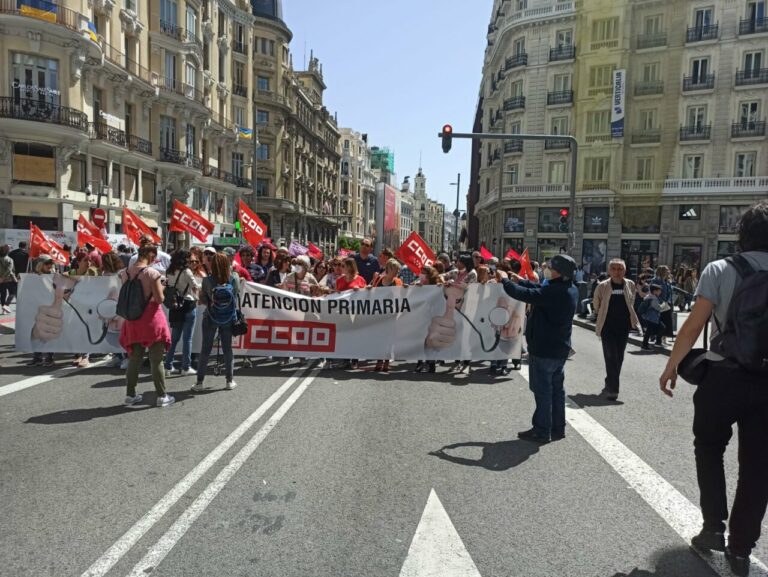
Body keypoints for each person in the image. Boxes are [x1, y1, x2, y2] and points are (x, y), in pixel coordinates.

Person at [659, 200, 768, 577]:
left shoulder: (720, 269)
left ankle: (712, 529)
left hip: (723, 377)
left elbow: (692, 326)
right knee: (758, 466)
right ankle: (741, 548)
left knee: (708, 447)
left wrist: (673, 365)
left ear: (742, 235)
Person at [498, 254, 578, 443]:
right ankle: (558, 427)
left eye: (550, 268)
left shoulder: (554, 292)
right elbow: (538, 288)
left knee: (542, 390)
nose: (546, 270)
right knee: (557, 390)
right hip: (559, 348)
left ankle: (542, 430)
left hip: (544, 348)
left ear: (559, 272)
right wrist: (522, 280)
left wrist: (504, 280)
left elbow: (525, 295)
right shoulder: (569, 288)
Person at [119, 243, 174, 407]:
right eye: (154, 257)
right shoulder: (152, 273)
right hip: (151, 319)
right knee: (156, 359)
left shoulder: (125, 273)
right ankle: (161, 396)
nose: (154, 260)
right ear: (150, 255)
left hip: (133, 319)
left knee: (134, 358)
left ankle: (130, 395)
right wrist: (162, 286)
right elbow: (159, 299)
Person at [592, 258, 640, 401]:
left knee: (619, 357)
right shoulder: (602, 286)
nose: (617, 272)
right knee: (611, 356)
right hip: (607, 326)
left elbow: (632, 301)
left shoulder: (630, 284)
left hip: (623, 327)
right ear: (609, 271)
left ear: (624, 271)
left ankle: (609, 382)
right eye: (614, 268)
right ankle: (613, 390)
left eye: (620, 269)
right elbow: (596, 303)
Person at [194, 252, 240, 392]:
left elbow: (202, 300)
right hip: (227, 318)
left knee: (205, 350)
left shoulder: (207, 281)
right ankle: (229, 380)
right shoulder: (233, 278)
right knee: (227, 349)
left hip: (211, 317)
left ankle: (199, 382)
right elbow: (236, 298)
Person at [164, 250, 199, 377]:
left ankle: (168, 366)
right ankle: (185, 367)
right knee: (187, 339)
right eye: (189, 259)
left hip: (175, 306)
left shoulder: (169, 271)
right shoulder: (186, 271)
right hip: (188, 304)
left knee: (174, 339)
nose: (190, 261)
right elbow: (195, 286)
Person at [444, 254, 477, 373]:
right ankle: (457, 359)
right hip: (454, 307)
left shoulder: (472, 273)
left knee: (466, 334)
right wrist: (446, 281)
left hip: (467, 307)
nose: (457, 263)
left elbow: (471, 287)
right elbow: (441, 276)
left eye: (459, 261)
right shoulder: (455, 272)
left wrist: (455, 284)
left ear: (465, 263)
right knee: (456, 333)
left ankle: (466, 360)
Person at [371, 259, 404, 372]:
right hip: (379, 314)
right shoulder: (379, 280)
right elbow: (372, 294)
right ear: (389, 269)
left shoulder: (398, 282)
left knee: (389, 338)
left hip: (392, 315)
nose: (398, 271)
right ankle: (379, 359)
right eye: (396, 269)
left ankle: (386, 361)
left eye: (398, 269)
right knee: (379, 338)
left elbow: (402, 296)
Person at [27, 255, 56, 367]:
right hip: (36, 309)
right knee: (35, 333)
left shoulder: (54, 277)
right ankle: (37, 357)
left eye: (51, 263)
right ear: (40, 265)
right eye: (47, 263)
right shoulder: (33, 276)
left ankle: (49, 357)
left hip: (50, 309)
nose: (50, 265)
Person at [414, 265, 443, 374]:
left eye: (424, 272)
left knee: (431, 339)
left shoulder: (437, 282)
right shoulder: (418, 282)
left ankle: (431, 363)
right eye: (421, 272)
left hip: (434, 315)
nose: (421, 274)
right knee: (421, 339)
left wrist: (442, 286)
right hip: (421, 315)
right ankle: (420, 362)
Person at [650, 265, 674, 344]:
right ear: (662, 271)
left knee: (667, 321)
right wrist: (661, 301)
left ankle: (664, 338)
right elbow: (653, 292)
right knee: (659, 321)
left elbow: (670, 292)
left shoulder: (667, 281)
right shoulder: (655, 280)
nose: (668, 272)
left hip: (667, 304)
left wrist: (668, 301)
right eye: (666, 270)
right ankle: (655, 336)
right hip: (659, 303)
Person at [640, 284, 666, 350]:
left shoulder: (649, 297)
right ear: (654, 291)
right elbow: (658, 308)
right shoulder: (653, 299)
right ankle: (645, 345)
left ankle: (657, 342)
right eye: (659, 291)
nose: (660, 292)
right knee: (653, 330)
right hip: (652, 318)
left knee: (659, 328)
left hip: (650, 317)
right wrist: (663, 305)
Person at [0, 245, 16, 314]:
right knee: (12, 293)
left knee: (3, 294)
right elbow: (9, 270)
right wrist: (3, 277)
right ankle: (6, 306)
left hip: (1, 280)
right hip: (9, 279)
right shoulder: (10, 259)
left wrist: (1, 278)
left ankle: (3, 309)